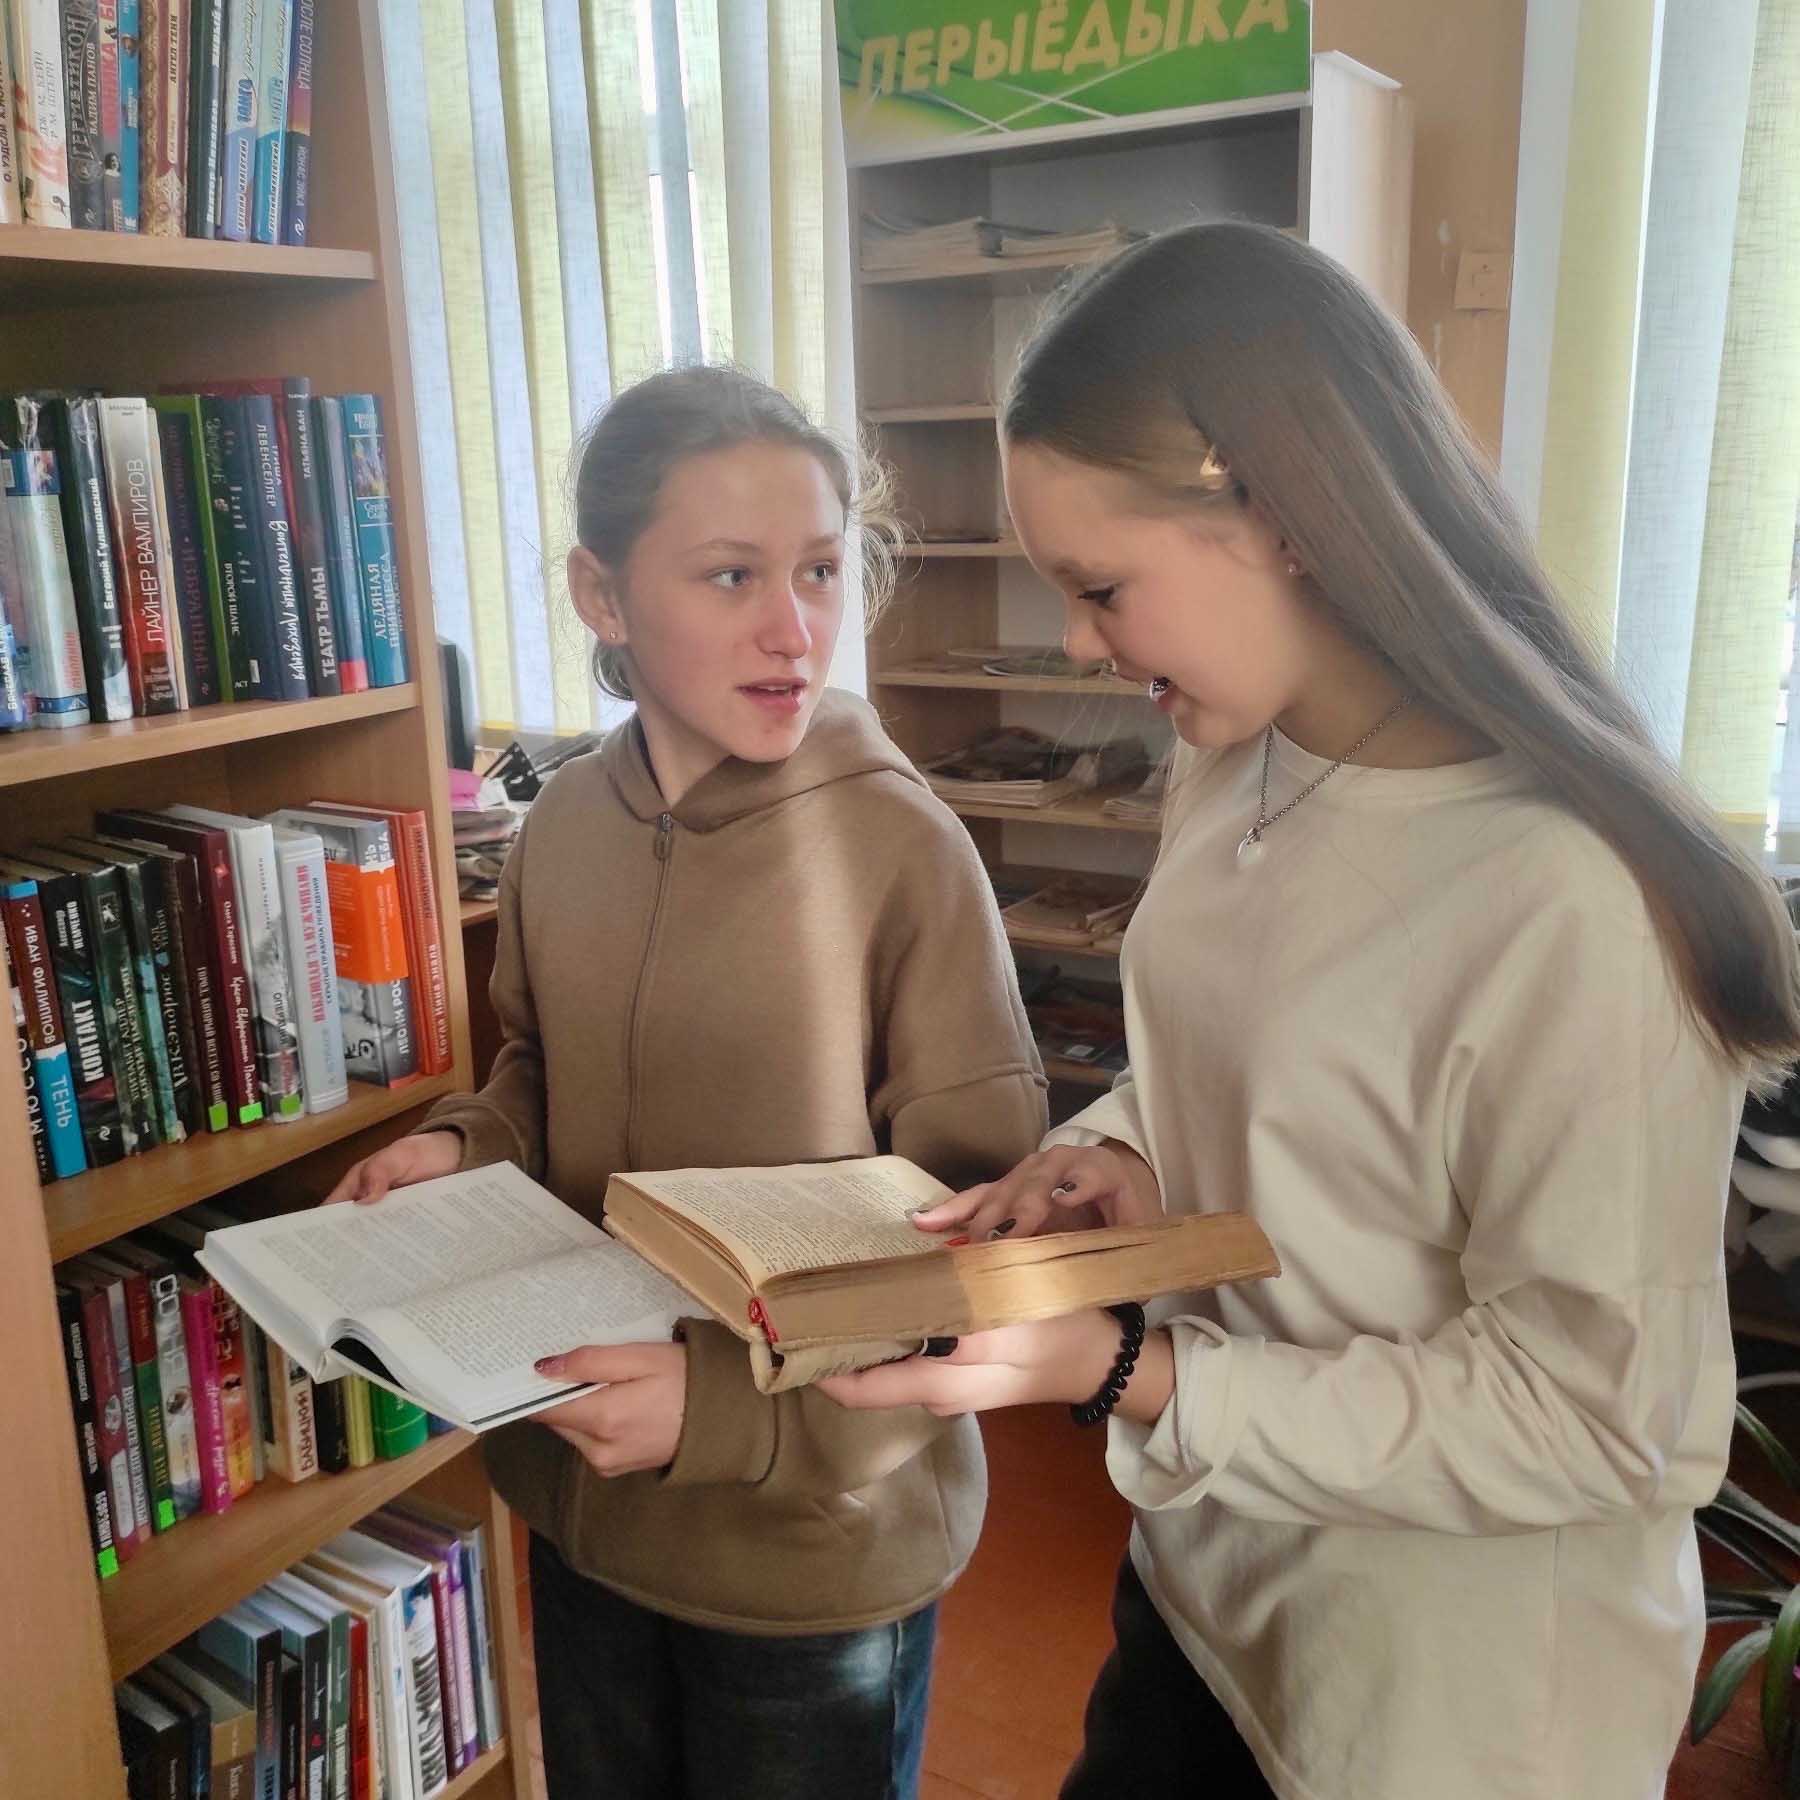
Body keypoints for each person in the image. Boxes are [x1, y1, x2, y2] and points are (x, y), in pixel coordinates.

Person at [822, 221, 1800, 1800]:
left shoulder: (1572, 899)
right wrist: (1119, 1151)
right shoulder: (1238, 754)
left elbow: (1600, 1421)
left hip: (1438, 1707)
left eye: (1101, 588)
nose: (1076, 641)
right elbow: (1251, 1061)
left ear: (1275, 515)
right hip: (1216, 1582)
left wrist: (1128, 1369)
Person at [327, 365, 1047, 1799]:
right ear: (602, 595)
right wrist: (464, 1147)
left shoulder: (902, 850)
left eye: (820, 571)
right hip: (584, 1501)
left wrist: (727, 1415)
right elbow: (539, 1070)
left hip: (809, 1552)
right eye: (731, 575)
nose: (795, 628)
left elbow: (982, 1241)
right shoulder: (560, 829)